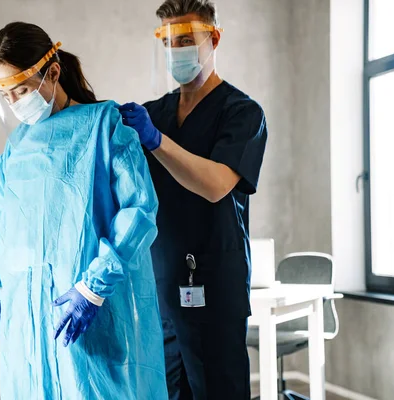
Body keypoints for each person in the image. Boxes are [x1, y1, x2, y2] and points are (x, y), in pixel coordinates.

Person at [0, 22, 168, 399]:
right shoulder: (17, 146)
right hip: (26, 317)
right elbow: (1, 222)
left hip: (90, 311)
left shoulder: (105, 125)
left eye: (22, 90)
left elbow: (138, 212)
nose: (16, 102)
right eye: (7, 95)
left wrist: (91, 289)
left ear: (54, 72)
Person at [119, 1, 268, 399]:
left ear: (213, 38)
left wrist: (157, 141)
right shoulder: (157, 112)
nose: (177, 51)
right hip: (164, 287)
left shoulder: (243, 113)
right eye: (170, 42)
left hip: (216, 286)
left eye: (186, 40)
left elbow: (217, 184)